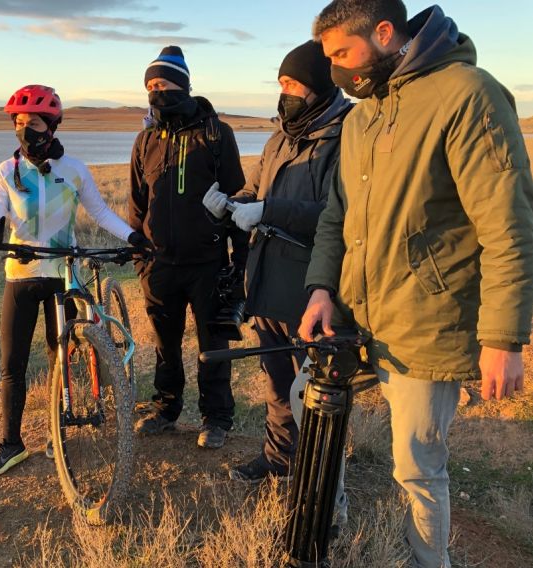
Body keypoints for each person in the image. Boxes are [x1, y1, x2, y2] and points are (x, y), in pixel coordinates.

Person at [299, 2, 533, 566]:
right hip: (355, 314)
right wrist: (321, 289)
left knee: (416, 463)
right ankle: (330, 526)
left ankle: (430, 560)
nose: (335, 70)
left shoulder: (467, 93)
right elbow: (337, 217)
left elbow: (508, 223)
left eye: (341, 54)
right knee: (307, 407)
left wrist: (504, 339)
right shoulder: (361, 119)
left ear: (384, 34)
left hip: (428, 319)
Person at [203, 40, 352, 492]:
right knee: (276, 380)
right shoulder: (279, 138)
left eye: (293, 84)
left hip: (312, 288)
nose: (284, 92)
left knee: (313, 391)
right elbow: (253, 189)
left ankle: (321, 476)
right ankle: (279, 458)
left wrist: (268, 210)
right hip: (265, 279)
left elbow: (335, 214)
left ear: (320, 85)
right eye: (281, 83)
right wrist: (229, 204)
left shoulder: (343, 139)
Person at [0, 84, 151, 478]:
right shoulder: (7, 171)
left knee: (60, 355)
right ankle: (10, 444)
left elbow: (101, 213)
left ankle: (56, 429)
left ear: (52, 126)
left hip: (62, 273)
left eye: (34, 123)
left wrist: (133, 238)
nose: (26, 130)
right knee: (12, 364)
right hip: (22, 275)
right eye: (19, 123)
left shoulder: (73, 170)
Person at [130, 46, 248, 449]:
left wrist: (239, 262)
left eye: (160, 83)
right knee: (165, 343)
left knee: (212, 345)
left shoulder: (217, 135)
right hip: (159, 264)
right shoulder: (145, 139)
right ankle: (166, 409)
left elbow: (235, 199)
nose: (154, 92)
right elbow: (136, 203)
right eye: (148, 86)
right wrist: (140, 257)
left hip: (208, 263)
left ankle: (216, 417)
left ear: (180, 84)